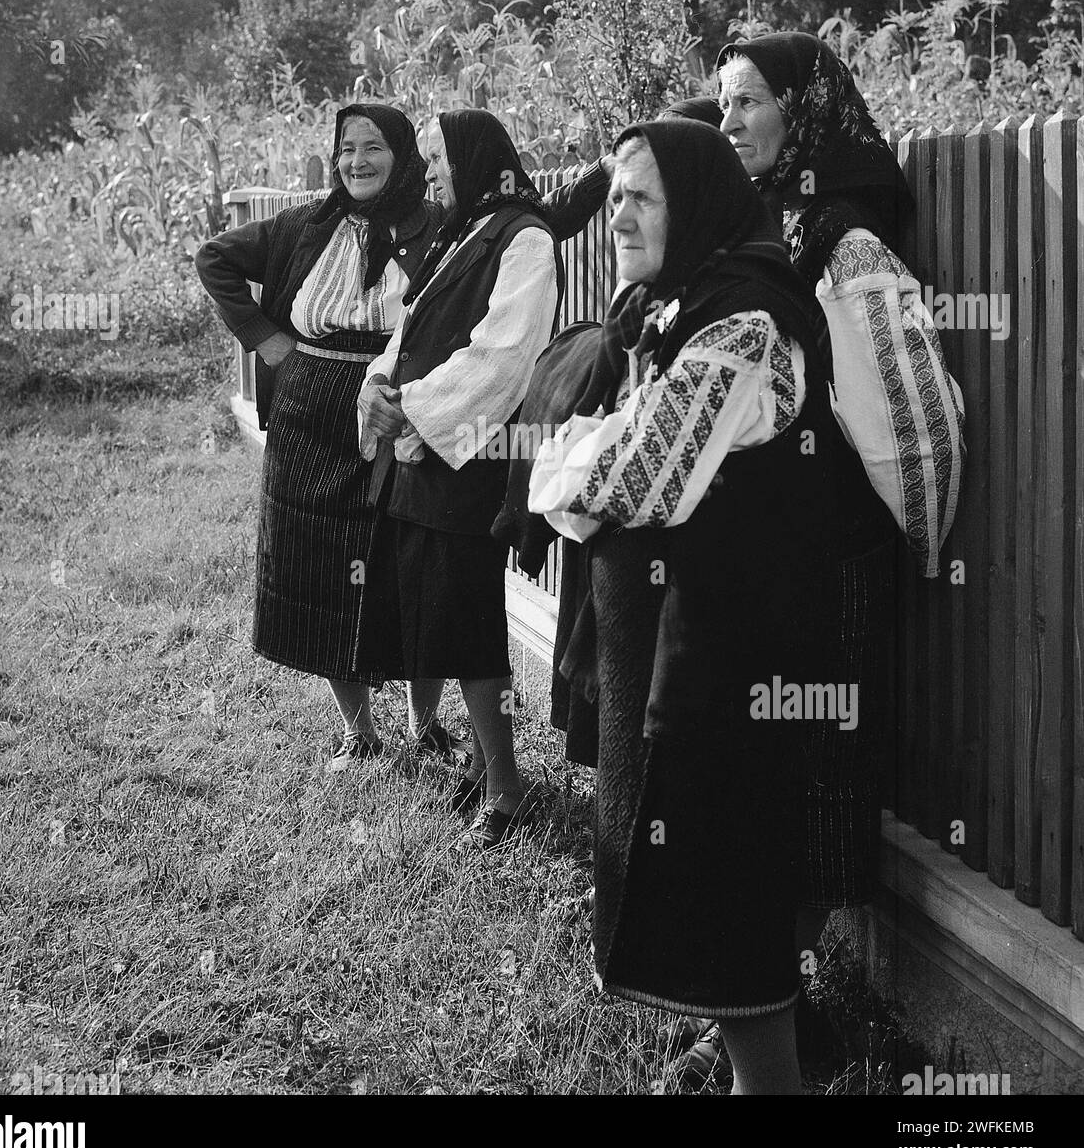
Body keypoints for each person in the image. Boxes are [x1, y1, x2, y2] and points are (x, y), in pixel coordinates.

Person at [529, 118, 844, 1094]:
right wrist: (591, 451)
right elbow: (622, 449)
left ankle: (772, 1072)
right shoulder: (684, 309)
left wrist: (562, 464)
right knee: (705, 886)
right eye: (613, 193)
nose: (616, 211)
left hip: (737, 666)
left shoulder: (744, 322)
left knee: (727, 891)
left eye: (641, 195)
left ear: (699, 204)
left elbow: (641, 476)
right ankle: (749, 1046)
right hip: (694, 649)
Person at [195, 103, 608, 774]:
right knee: (325, 567)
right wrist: (271, 345)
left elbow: (535, 216)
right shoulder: (308, 224)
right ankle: (357, 728)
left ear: (407, 156)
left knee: (398, 565)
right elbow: (214, 257)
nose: (357, 161)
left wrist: (608, 170)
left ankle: (425, 719)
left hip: (403, 411)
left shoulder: (443, 220)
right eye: (346, 148)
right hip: (314, 409)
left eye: (374, 147)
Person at [715, 31, 964, 940]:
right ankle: (750, 970)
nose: (729, 119)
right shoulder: (767, 224)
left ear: (804, 110)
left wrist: (921, 542)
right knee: (756, 755)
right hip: (758, 542)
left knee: (816, 761)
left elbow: (910, 416)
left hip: (824, 550)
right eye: (725, 102)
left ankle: (790, 977)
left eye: (749, 101)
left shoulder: (846, 246)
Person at [356, 109, 565, 849]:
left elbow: (501, 359)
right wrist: (378, 385)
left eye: (440, 156)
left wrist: (408, 407)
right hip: (424, 452)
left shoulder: (526, 239)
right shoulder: (463, 230)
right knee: (441, 614)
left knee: (471, 626)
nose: (431, 170)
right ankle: (481, 762)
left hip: (468, 457)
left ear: (477, 159)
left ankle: (507, 785)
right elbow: (408, 329)